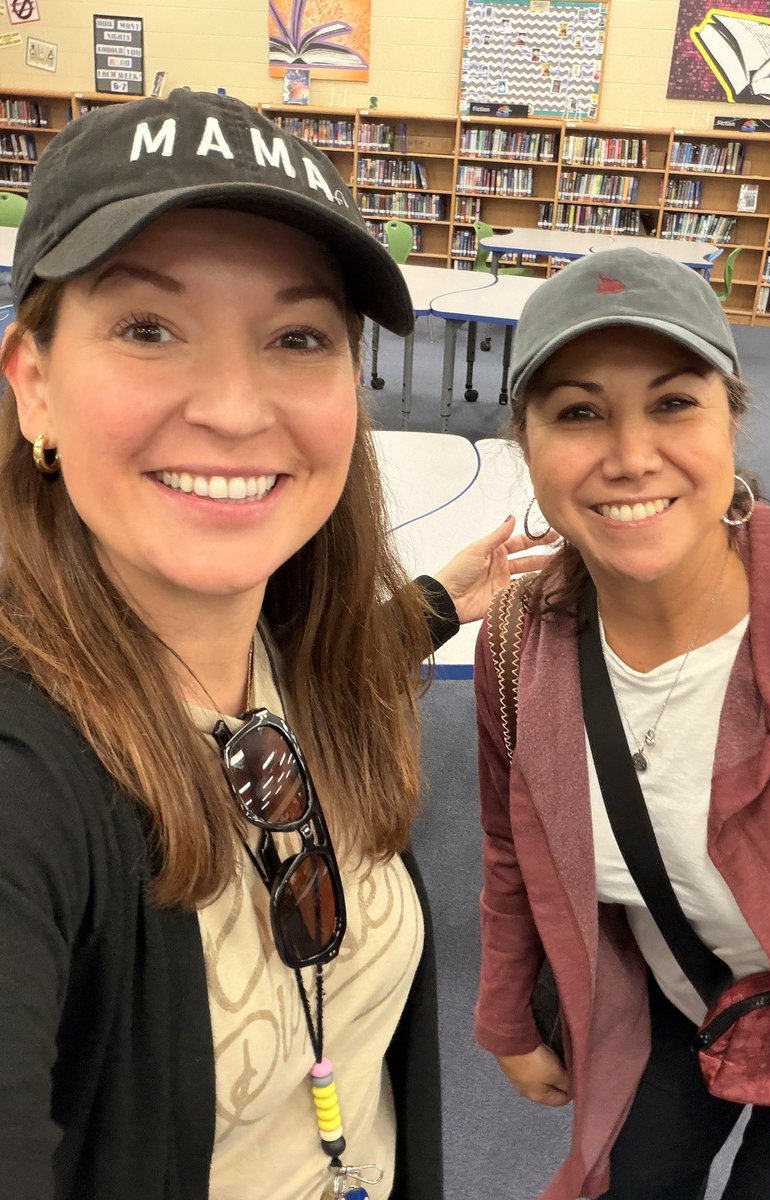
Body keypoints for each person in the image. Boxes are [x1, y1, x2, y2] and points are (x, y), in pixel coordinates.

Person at [0, 89, 550, 1200]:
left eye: (298, 338)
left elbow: (306, 683)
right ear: (35, 383)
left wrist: (440, 603)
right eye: (148, 328)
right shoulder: (30, 782)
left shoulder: (288, 649)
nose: (236, 408)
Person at [473, 247, 770, 1200]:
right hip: (677, 995)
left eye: (673, 403)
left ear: (731, 421)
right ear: (525, 443)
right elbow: (508, 847)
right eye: (578, 412)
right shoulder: (519, 644)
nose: (631, 456)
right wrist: (506, 1015)